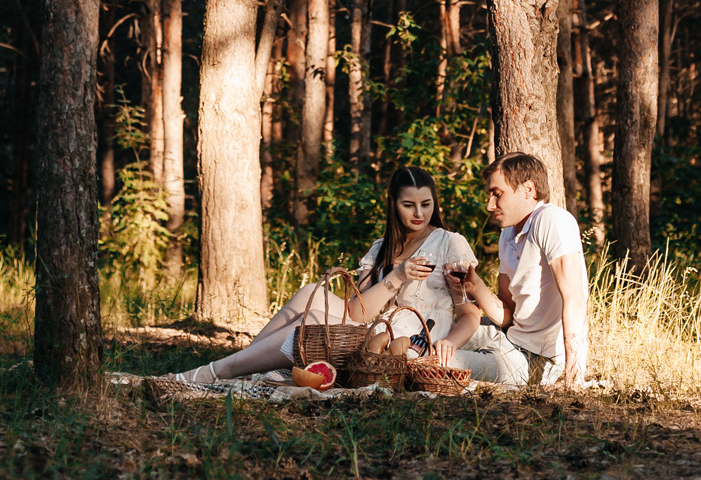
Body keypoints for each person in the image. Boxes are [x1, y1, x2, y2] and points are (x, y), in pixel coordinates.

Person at [167, 167, 482, 385]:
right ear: (393, 204)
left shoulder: (449, 242)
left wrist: (450, 343)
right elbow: (357, 312)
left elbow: (469, 312)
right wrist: (397, 275)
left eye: (426, 204)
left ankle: (219, 371)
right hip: (375, 326)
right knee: (308, 293)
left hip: (412, 339)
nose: (419, 214)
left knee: (317, 316)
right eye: (408, 205)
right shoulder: (380, 248)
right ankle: (243, 362)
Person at [461, 151, 589, 389]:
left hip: (540, 359)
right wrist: (475, 286)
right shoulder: (507, 234)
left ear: (528, 189)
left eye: (497, 195)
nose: (490, 205)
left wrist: (573, 377)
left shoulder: (552, 219)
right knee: (434, 334)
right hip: (510, 337)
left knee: (443, 361)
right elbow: (507, 313)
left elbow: (575, 298)